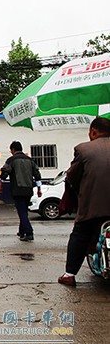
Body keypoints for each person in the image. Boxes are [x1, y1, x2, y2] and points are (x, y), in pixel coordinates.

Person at [58, 117, 110, 286]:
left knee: (80, 234)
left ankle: (69, 274)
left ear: (93, 131)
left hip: (94, 207)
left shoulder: (84, 149)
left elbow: (72, 176)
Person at [0, 141, 42, 242]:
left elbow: (4, 173)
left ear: (13, 150)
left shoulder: (11, 160)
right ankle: (21, 232)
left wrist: (0, 185)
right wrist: (39, 189)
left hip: (17, 190)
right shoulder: (30, 160)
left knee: (22, 212)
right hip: (29, 190)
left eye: (11, 150)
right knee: (24, 211)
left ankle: (29, 233)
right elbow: (37, 175)